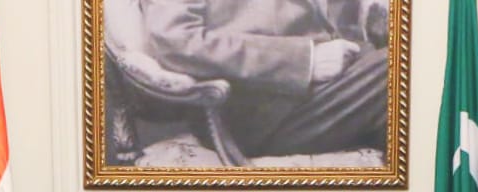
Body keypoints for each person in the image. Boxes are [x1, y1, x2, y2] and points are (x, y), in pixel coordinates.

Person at [141, 0, 389, 157]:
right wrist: (305, 60)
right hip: (254, 109)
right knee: (398, 69)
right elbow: (178, 42)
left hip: (322, 84)